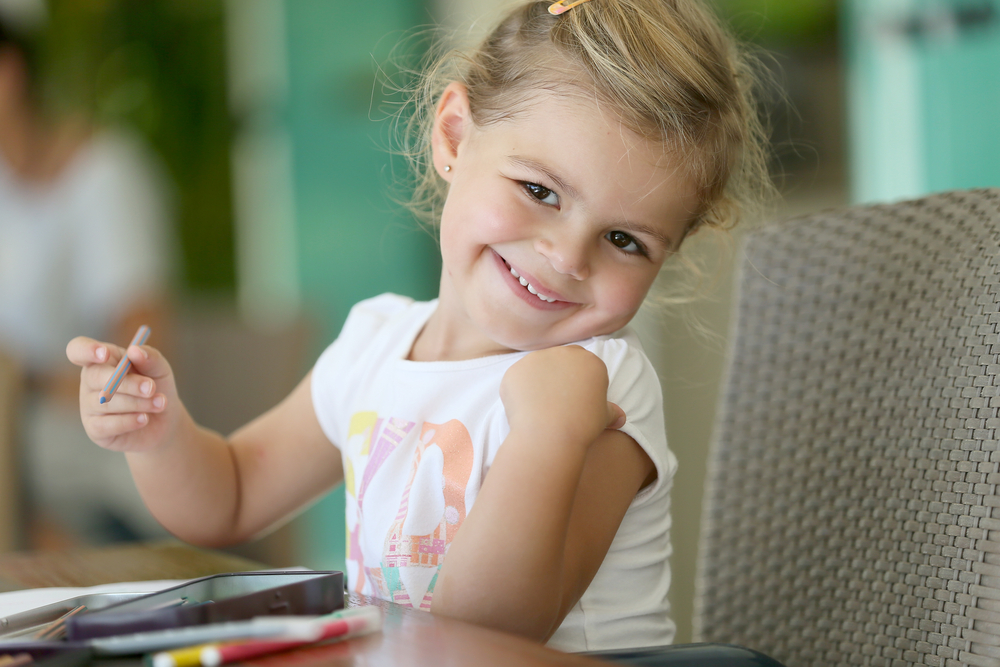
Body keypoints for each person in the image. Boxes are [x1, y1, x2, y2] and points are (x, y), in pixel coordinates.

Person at [67, 0, 770, 652]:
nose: (566, 257)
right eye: (540, 191)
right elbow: (232, 495)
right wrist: (157, 435)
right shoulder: (376, 340)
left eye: (625, 240)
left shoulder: (602, 387)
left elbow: (484, 635)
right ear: (454, 137)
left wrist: (549, 433)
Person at [0, 14, 173, 545]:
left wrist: (21, 380)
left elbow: (141, 355)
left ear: (10, 73)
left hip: (78, 457)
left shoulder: (103, 175)